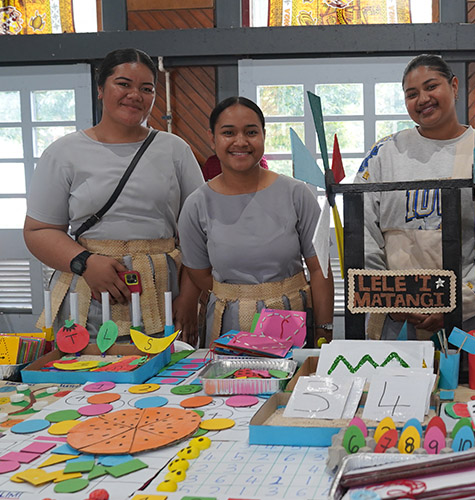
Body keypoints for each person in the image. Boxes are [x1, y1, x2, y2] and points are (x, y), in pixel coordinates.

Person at [25, 48, 203, 343]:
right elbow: (38, 230)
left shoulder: (175, 149)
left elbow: (199, 231)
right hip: (88, 289)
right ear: (100, 89)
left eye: (146, 89)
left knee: (165, 378)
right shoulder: (63, 152)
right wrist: (85, 262)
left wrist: (188, 297)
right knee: (88, 377)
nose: (135, 95)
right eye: (123, 84)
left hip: (164, 291)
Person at [357, 54, 475, 339]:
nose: (422, 99)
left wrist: (459, 305)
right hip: (396, 317)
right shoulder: (384, 154)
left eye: (431, 87)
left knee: (465, 383)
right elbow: (363, 232)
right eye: (411, 94)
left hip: (470, 317)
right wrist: (388, 298)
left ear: (453, 86)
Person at [178, 97, 335, 346]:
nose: (240, 142)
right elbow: (198, 272)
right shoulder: (197, 204)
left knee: (289, 383)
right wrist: (242, 297)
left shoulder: (296, 194)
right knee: (230, 385)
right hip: (227, 325)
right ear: (213, 138)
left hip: (290, 318)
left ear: (264, 134)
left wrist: (324, 330)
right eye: (228, 133)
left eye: (251, 132)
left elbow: (319, 268)